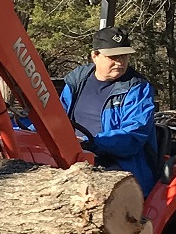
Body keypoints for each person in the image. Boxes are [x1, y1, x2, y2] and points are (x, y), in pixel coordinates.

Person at [60, 25, 160, 194]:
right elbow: (57, 117)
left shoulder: (138, 88)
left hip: (119, 165)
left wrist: (91, 142)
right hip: (74, 157)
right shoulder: (77, 82)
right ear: (95, 56)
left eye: (124, 56)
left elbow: (131, 138)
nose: (120, 62)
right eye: (113, 56)